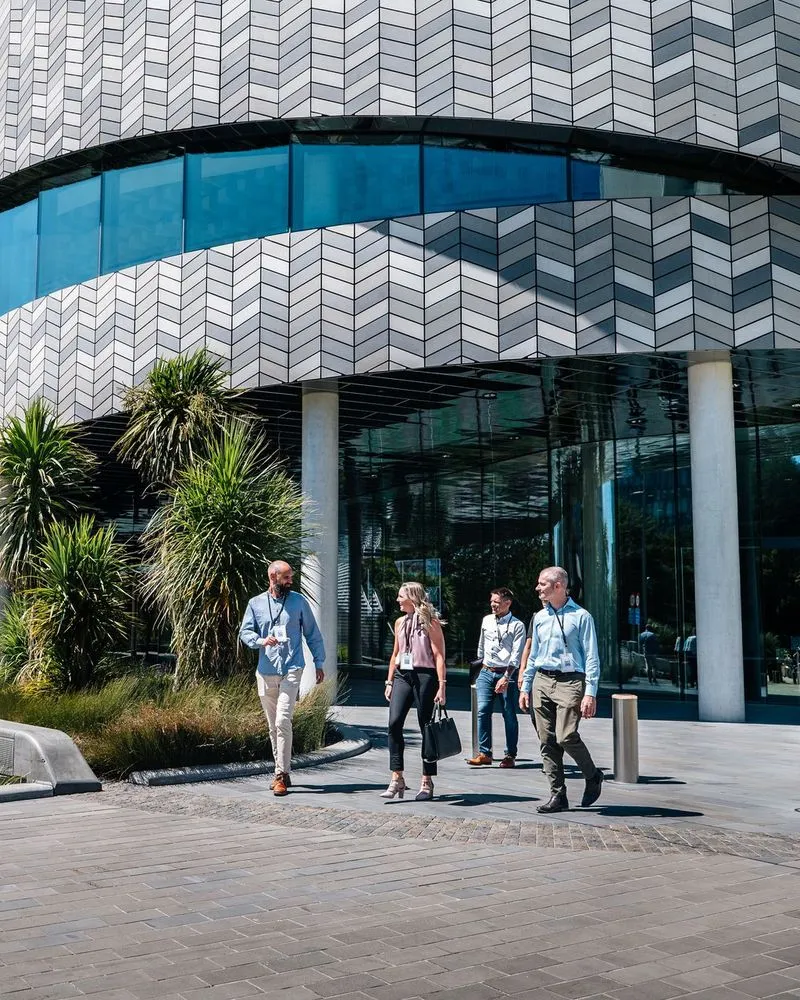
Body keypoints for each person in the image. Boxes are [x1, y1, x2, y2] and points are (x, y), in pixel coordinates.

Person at [519, 566, 603, 813]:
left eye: (542, 584)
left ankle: (593, 775)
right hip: (542, 681)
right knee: (547, 740)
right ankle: (558, 795)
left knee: (565, 736)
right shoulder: (539, 617)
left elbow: (592, 657)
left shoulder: (581, 616)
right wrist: (526, 687)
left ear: (558, 586)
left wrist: (590, 692)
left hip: (571, 681)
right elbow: (534, 655)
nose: (537, 588)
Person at [239, 560, 325, 797]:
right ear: (273, 577)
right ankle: (283, 771)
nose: (290, 581)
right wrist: (261, 641)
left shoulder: (298, 601)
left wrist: (319, 662)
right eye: (286, 577)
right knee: (272, 726)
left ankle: (280, 775)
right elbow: (245, 632)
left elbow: (313, 634)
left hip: (292, 668)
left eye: (291, 577)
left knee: (282, 720)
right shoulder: (255, 603)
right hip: (266, 670)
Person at [382, 582, 447, 802]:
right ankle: (397, 777)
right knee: (394, 723)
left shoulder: (431, 622)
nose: (398, 600)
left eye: (401, 596)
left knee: (426, 727)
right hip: (403, 675)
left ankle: (427, 780)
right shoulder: (399, 622)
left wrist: (442, 685)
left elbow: (439, 655)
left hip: (425, 675)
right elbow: (395, 654)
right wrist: (389, 681)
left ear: (412, 598)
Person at [466, 587, 526, 768]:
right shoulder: (487, 620)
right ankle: (485, 753)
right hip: (486, 671)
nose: (493, 605)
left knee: (509, 714)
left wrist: (506, 677)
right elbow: (481, 645)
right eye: (491, 601)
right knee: (483, 710)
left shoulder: (517, 625)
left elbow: (516, 655)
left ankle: (510, 755)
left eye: (497, 602)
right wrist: (479, 668)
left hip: (506, 674)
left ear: (508, 603)